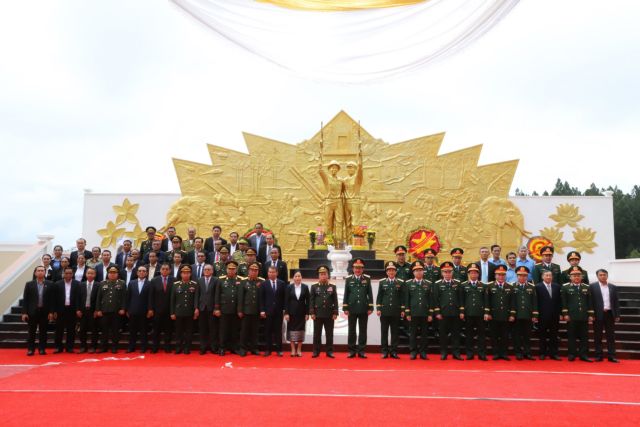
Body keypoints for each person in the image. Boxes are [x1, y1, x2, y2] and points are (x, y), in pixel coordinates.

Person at [561, 266, 594, 362]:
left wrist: (591, 314)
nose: (576, 277)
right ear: (570, 277)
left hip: (584, 315)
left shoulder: (586, 287)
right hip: (571, 316)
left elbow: (590, 302)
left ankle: (583, 354)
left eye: (578, 275)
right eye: (574, 275)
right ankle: (572, 354)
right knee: (571, 336)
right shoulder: (565, 287)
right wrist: (565, 314)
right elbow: (563, 302)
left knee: (584, 336)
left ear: (581, 276)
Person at [343, 258, 373, 358]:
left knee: (363, 330)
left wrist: (370, 307)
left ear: (363, 269)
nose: (358, 270)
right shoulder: (348, 279)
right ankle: (351, 350)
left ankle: (361, 350)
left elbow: (370, 294)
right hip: (352, 308)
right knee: (351, 330)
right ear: (353, 269)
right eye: (356, 268)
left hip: (363, 308)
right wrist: (345, 308)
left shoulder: (367, 279)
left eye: (360, 268)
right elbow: (346, 294)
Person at [22, 266, 55, 356]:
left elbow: (52, 300)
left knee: (43, 332)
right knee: (31, 332)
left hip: (45, 312)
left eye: (42, 271)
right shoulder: (29, 284)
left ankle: (42, 349)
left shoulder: (50, 284)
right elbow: (26, 299)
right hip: (32, 312)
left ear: (45, 272)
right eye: (38, 271)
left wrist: (51, 312)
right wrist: (24, 313)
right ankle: (30, 349)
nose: (40, 272)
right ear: (35, 273)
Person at [432, 261, 462, 360]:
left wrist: (461, 311)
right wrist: (437, 312)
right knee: (443, 334)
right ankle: (444, 352)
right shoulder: (437, 284)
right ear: (442, 273)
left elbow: (461, 299)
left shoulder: (457, 283)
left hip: (455, 313)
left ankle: (456, 353)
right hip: (443, 313)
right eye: (445, 272)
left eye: (449, 272)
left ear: (452, 272)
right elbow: (435, 299)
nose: (447, 274)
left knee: (456, 334)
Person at [590, 269, 620, 362]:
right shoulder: (592, 287)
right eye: (601, 275)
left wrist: (617, 314)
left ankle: (612, 355)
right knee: (598, 335)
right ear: (597, 276)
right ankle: (599, 355)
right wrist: (591, 314)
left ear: (607, 276)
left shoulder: (613, 287)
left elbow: (616, 302)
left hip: (610, 314)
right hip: (597, 314)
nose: (603, 276)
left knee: (610, 336)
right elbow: (590, 302)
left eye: (604, 275)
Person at [485, 264, 514, 360]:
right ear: (495, 275)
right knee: (494, 335)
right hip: (494, 315)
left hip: (506, 315)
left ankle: (504, 353)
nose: (501, 276)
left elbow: (512, 302)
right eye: (499, 274)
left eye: (503, 275)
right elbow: (487, 301)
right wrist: (488, 313)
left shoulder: (510, 287)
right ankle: (496, 353)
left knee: (505, 336)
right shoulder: (489, 286)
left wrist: (512, 314)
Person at [95, 266, 127, 353]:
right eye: (110, 272)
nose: (112, 274)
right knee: (104, 330)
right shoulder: (102, 283)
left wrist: (123, 308)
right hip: (104, 310)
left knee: (115, 330)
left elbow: (124, 297)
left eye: (114, 272)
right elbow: (99, 298)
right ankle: (103, 347)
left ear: (117, 274)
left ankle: (114, 347)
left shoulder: (122, 283)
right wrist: (98, 310)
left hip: (116, 311)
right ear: (108, 274)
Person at [459, 263, 487, 361]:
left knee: (481, 335)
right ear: (468, 274)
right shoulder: (463, 285)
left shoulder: (483, 285)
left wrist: (486, 312)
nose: (474, 274)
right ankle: (469, 353)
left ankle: (481, 354)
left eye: (475, 273)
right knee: (469, 335)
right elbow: (461, 300)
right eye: (471, 273)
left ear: (478, 274)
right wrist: (462, 311)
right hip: (468, 313)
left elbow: (486, 300)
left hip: (480, 313)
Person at [310, 265, 339, 358]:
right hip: (317, 314)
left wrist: (335, 312)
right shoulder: (314, 287)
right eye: (321, 274)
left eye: (324, 274)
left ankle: (329, 351)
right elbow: (311, 301)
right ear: (318, 276)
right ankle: (316, 351)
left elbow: (335, 301)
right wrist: (312, 312)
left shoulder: (332, 286)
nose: (323, 276)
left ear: (328, 275)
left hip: (329, 314)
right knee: (317, 334)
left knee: (329, 334)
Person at [377, 261, 404, 359]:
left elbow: (402, 297)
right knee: (384, 332)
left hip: (396, 311)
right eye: (389, 270)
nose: (391, 272)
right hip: (385, 311)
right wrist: (379, 308)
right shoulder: (382, 282)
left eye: (393, 270)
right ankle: (384, 351)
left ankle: (394, 351)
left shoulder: (400, 282)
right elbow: (379, 296)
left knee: (395, 332)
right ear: (386, 272)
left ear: (396, 272)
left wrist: (402, 309)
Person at [405, 261, 432, 360]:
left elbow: (431, 300)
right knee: (413, 334)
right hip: (413, 313)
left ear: (423, 272)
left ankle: (423, 352)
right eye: (416, 271)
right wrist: (407, 312)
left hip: (425, 313)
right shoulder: (408, 284)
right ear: (413, 272)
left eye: (420, 270)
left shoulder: (428, 284)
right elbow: (407, 299)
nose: (419, 272)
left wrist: (430, 313)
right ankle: (413, 352)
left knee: (424, 334)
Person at [170, 265, 199, 355]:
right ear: (181, 274)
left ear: (190, 274)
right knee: (178, 331)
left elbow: (196, 298)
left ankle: (187, 348)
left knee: (189, 331)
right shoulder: (176, 284)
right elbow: (172, 300)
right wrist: (172, 312)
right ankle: (178, 347)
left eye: (188, 273)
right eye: (184, 273)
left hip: (190, 312)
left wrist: (196, 309)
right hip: (179, 312)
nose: (186, 275)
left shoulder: (194, 284)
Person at [215, 260, 242, 355]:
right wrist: (217, 308)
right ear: (226, 269)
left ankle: (234, 347)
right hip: (224, 309)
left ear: (236, 270)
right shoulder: (221, 280)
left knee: (235, 329)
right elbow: (217, 295)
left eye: (233, 269)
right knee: (223, 330)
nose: (231, 271)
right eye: (229, 269)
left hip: (236, 309)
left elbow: (241, 296)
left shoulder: (240, 280)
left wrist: (240, 309)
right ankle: (222, 347)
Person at [511, 266, 538, 360]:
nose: (522, 277)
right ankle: (518, 353)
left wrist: (535, 314)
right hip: (517, 315)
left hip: (528, 315)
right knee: (517, 335)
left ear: (527, 276)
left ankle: (527, 352)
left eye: (524, 276)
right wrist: (512, 314)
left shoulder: (532, 287)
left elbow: (535, 301)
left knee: (527, 335)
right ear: (517, 276)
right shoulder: (512, 286)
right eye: (520, 275)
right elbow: (511, 302)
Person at [53, 267, 82, 353]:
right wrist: (54, 311)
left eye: (70, 273)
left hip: (72, 310)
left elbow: (79, 298)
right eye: (66, 273)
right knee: (59, 329)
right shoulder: (57, 284)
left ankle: (69, 347)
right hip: (60, 310)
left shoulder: (77, 284)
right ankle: (58, 347)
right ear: (63, 274)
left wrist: (78, 309)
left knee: (71, 329)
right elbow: (54, 299)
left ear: (72, 274)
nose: (68, 275)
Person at [535, 270, 562, 360]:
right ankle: (542, 353)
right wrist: (536, 314)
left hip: (554, 315)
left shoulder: (557, 286)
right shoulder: (538, 287)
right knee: (542, 335)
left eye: (550, 275)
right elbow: (536, 301)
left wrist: (560, 313)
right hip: (542, 315)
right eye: (546, 275)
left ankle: (553, 353)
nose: (548, 277)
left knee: (554, 335)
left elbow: (559, 301)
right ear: (542, 277)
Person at [260, 265, 286, 356]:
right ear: (268, 273)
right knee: (268, 331)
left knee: (278, 331)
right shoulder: (264, 284)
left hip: (279, 311)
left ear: (277, 273)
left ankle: (279, 350)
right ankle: (268, 349)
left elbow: (284, 297)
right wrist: (262, 310)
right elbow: (261, 298)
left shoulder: (282, 283)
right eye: (270, 272)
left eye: (273, 272)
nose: (271, 274)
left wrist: (284, 309)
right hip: (268, 311)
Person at [149, 263, 174, 353]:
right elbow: (151, 296)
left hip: (169, 310)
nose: (165, 271)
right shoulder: (154, 280)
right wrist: (150, 309)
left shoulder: (174, 280)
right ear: (160, 270)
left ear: (170, 271)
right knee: (156, 330)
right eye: (163, 269)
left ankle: (167, 346)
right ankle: (155, 347)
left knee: (168, 330)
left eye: (167, 269)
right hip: (157, 310)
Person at [237, 262, 262, 356]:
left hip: (256, 310)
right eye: (252, 270)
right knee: (244, 331)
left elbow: (262, 297)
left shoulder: (261, 281)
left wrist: (262, 310)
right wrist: (240, 310)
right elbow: (240, 297)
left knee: (255, 331)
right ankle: (243, 348)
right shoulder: (243, 282)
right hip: (246, 310)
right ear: (248, 271)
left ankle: (254, 348)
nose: (254, 272)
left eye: (256, 270)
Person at [126, 265, 151, 353]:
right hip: (133, 310)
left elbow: (150, 298)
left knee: (143, 330)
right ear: (137, 273)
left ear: (146, 273)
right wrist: (127, 309)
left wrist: (150, 309)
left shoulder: (150, 283)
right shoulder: (131, 283)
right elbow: (128, 297)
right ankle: (131, 347)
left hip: (144, 311)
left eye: (144, 271)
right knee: (132, 330)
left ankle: (143, 347)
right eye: (140, 271)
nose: (141, 272)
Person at [284, 271, 309, 357]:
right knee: (291, 330)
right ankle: (293, 349)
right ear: (293, 278)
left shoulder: (305, 287)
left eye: (299, 276)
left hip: (302, 313)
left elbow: (308, 301)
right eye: (296, 276)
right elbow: (286, 301)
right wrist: (286, 313)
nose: (297, 278)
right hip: (291, 313)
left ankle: (299, 349)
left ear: (301, 277)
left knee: (301, 330)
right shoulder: (289, 287)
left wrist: (307, 313)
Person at [196, 264, 218, 355]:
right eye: (205, 269)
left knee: (213, 329)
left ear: (212, 271)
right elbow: (197, 295)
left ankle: (213, 347)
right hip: (202, 308)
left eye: (209, 269)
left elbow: (217, 295)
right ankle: (203, 347)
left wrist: (216, 308)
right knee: (203, 329)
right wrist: (196, 307)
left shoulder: (216, 280)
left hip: (212, 308)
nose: (207, 271)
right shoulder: (199, 280)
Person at [78, 267, 100, 353]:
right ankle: (83, 346)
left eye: (92, 273)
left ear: (95, 275)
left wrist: (97, 310)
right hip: (83, 311)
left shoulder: (98, 285)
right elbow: (78, 298)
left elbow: (99, 299)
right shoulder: (81, 285)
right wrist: (78, 310)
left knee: (94, 329)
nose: (90, 275)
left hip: (93, 311)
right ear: (85, 274)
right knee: (82, 329)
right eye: (88, 273)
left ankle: (93, 346)